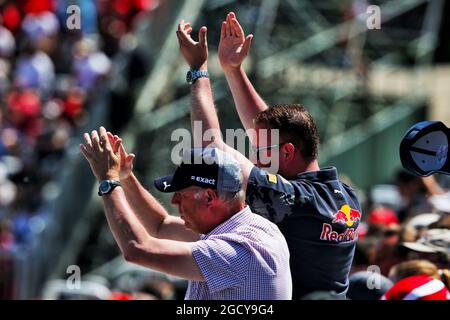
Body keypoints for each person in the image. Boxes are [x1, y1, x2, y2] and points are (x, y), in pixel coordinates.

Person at [173, 13, 362, 299]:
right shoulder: (345, 194)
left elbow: (211, 150)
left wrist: (198, 71)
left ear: (287, 152)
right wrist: (234, 70)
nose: (255, 157)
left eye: (260, 152)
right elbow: (269, 132)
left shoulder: (293, 199)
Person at [80, 129, 292, 300]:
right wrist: (125, 177)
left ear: (209, 198)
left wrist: (108, 181)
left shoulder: (237, 251)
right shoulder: (254, 228)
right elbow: (159, 225)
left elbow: (137, 249)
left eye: (181, 195)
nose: (174, 201)